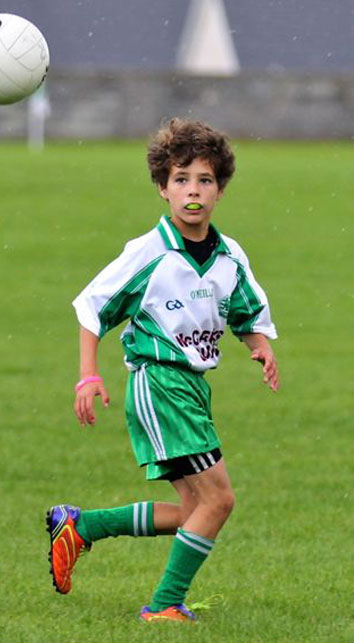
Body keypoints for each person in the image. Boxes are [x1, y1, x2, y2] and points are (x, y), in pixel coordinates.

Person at [45, 118, 279, 622]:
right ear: (162, 188)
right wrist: (89, 375)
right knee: (219, 501)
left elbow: (244, 311)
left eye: (205, 180)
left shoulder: (228, 256)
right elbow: (93, 308)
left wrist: (259, 346)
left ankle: (82, 527)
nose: (192, 191)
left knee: (196, 510)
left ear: (220, 190)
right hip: (160, 383)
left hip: (192, 388)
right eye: (181, 179)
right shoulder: (149, 253)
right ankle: (166, 605)